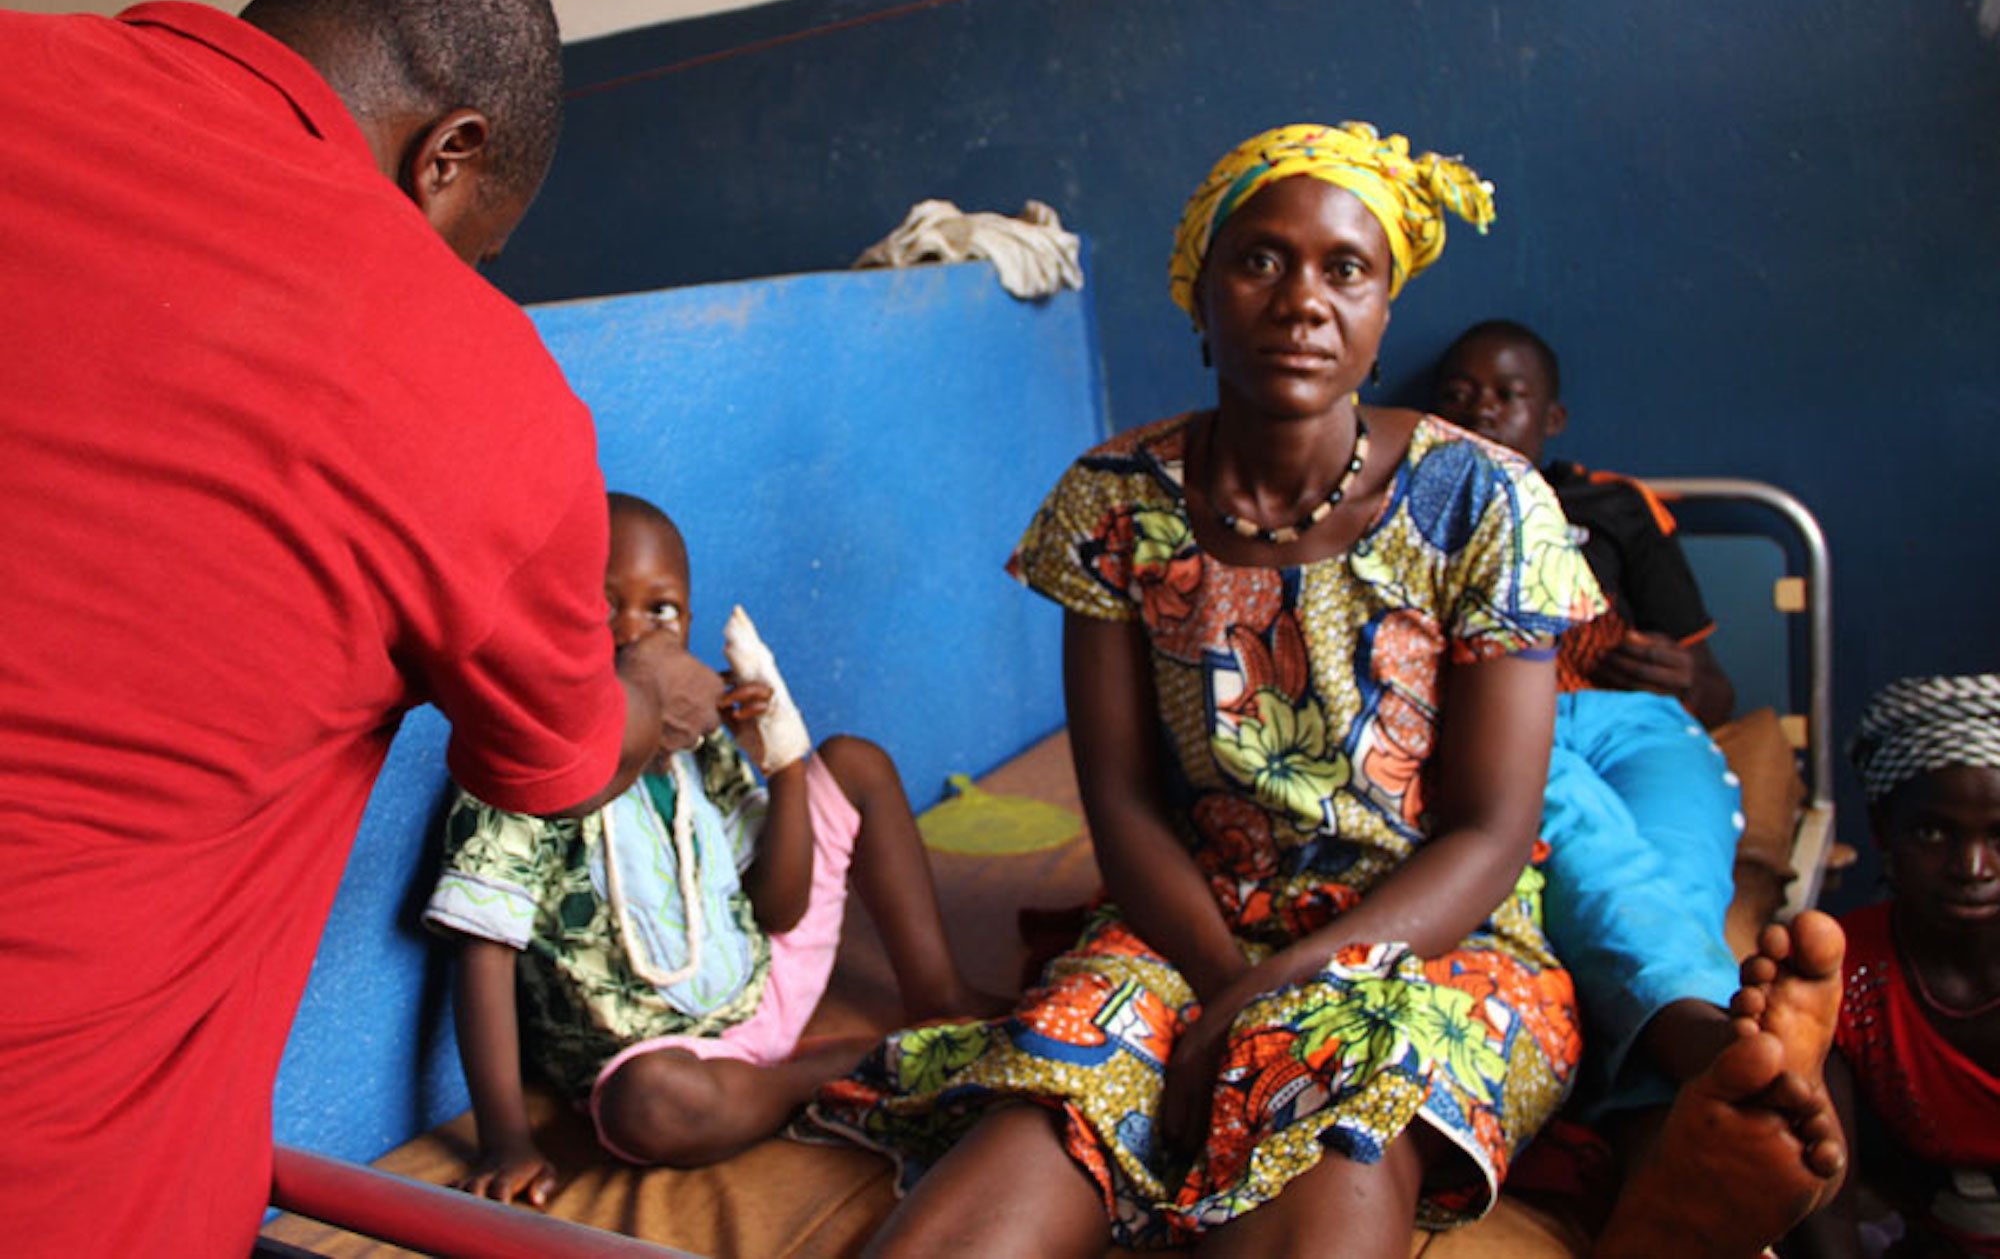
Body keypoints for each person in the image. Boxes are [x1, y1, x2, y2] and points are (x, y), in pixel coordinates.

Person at [0, 0, 707, 1256]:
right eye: (480, 246)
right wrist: (647, 701)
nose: (472, 280)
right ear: (449, 153)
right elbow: (554, 765)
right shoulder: (473, 381)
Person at [800, 121, 1606, 1257]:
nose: (1300, 301)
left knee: (1332, 1151)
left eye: (1345, 270)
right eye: (1259, 260)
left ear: (1381, 317)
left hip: (1425, 941)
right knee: (1009, 1165)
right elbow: (1121, 801)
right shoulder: (1113, 501)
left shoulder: (1484, 503)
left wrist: (1272, 999)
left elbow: (1489, 830)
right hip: (1184, 928)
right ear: (1199, 296)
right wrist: (1224, 986)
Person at [429, 493, 1004, 1206]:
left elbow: (779, 906)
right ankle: (850, 1066)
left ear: (690, 625)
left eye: (660, 611)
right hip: (660, 1057)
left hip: (766, 983)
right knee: (652, 1107)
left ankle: (937, 997)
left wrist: (783, 762)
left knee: (854, 762)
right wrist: (506, 1139)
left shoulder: (695, 742)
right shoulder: (520, 765)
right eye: (600, 607)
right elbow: (482, 950)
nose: (632, 635)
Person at [1431, 320, 1752, 1128]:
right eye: (1461, 396)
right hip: (1499, 721)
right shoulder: (1409, 505)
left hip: (1638, 722)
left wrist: (1687, 678)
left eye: (1508, 395)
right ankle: (1695, 1088)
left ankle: (1685, 1062)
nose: (1484, 412)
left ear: (1553, 418)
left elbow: (1715, 690)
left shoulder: (1617, 506)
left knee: (1680, 871)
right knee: (1577, 827)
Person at [1790, 675, 2000, 1258]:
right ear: (1884, 832)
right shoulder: (1844, 973)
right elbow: (1827, 1191)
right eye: (1933, 833)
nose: (1972, 867)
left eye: (1999, 836)